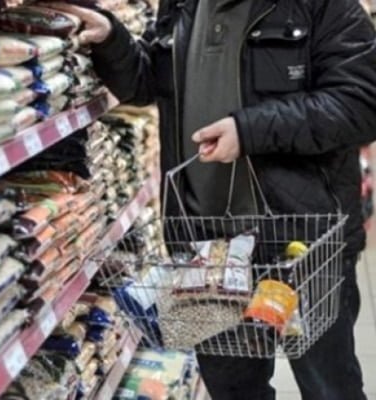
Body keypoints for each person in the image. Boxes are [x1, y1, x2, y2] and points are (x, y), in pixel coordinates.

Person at [54, 1, 376, 399]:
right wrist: (111, 38)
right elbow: (149, 83)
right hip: (207, 248)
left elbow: (360, 103)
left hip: (301, 244)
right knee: (231, 389)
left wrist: (248, 131)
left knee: (329, 387)